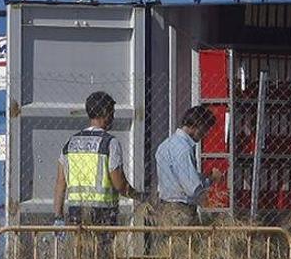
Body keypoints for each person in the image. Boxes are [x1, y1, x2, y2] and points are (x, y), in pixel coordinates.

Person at [53, 91, 144, 228]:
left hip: (76, 211)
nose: (113, 118)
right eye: (112, 113)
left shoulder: (70, 143)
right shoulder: (109, 143)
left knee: (80, 248)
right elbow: (120, 185)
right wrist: (139, 196)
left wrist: (58, 216)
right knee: (102, 249)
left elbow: (60, 184)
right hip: (103, 212)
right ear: (105, 113)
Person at [154, 105, 224, 226]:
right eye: (205, 128)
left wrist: (205, 179)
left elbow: (179, 177)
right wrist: (211, 183)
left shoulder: (165, 145)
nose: (205, 134)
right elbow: (192, 188)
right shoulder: (184, 149)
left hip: (165, 207)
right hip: (181, 210)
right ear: (196, 125)